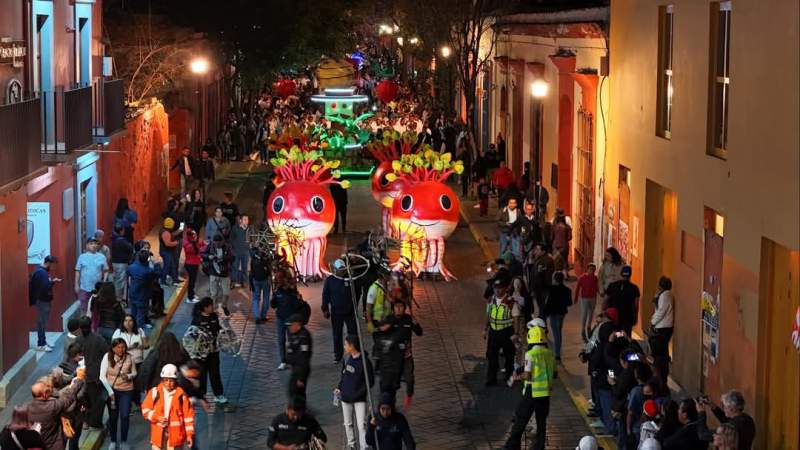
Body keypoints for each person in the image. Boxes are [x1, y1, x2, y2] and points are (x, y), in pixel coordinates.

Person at [502, 325, 555, 450]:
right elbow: (553, 371)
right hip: (545, 393)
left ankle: (512, 446)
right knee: (541, 423)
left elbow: (527, 374)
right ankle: (539, 447)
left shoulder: (530, 354)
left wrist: (517, 377)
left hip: (532, 392)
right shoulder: (549, 353)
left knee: (521, 419)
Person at [377, 301, 422, 408]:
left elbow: (419, 332)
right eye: (397, 307)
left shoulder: (408, 319)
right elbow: (380, 330)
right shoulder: (389, 318)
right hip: (392, 358)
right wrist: (388, 325)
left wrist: (414, 321)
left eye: (401, 306)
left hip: (406, 356)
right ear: (393, 309)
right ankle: (390, 403)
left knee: (409, 378)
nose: (399, 309)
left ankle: (409, 395)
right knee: (392, 384)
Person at [141, 364, 195, 450]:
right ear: (162, 380)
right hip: (158, 436)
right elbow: (145, 410)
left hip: (176, 438)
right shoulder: (154, 392)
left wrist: (189, 435)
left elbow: (188, 417)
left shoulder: (182, 395)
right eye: (166, 380)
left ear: (176, 380)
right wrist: (157, 417)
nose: (168, 383)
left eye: (171, 380)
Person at [335, 335, 374, 450]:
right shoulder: (347, 358)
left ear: (352, 346)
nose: (344, 346)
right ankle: (351, 445)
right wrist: (339, 388)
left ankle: (364, 446)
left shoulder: (365, 362)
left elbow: (370, 381)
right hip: (345, 398)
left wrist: (360, 392)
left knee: (361, 425)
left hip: (359, 399)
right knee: (348, 424)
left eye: (346, 344)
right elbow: (343, 376)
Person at [28, 371, 84, 450]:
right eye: (47, 390)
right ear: (44, 395)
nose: (50, 390)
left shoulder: (29, 407)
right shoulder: (51, 407)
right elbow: (67, 398)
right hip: (53, 445)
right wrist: (79, 380)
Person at [100, 338, 137, 450]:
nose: (121, 349)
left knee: (125, 415)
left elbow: (135, 372)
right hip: (112, 391)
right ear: (113, 348)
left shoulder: (130, 357)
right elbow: (102, 376)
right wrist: (110, 392)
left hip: (126, 390)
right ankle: (113, 441)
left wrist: (129, 376)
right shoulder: (107, 357)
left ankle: (124, 442)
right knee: (113, 417)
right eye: (118, 347)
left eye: (123, 347)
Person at [191, 297, 228, 404]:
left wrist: (222, 333)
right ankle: (201, 394)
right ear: (205, 307)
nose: (213, 307)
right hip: (202, 354)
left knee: (215, 373)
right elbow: (192, 335)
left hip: (214, 352)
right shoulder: (197, 320)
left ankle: (218, 394)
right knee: (202, 374)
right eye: (211, 305)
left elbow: (218, 328)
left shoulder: (214, 316)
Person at [484, 272, 519, 386]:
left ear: (505, 289)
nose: (497, 291)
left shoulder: (510, 302)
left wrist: (516, 334)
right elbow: (488, 315)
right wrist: (485, 329)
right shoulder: (491, 300)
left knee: (509, 355)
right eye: (495, 288)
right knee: (491, 356)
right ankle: (491, 379)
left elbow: (516, 319)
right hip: (494, 332)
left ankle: (509, 377)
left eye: (500, 288)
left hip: (506, 332)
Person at [75, 316, 110, 429]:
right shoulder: (99, 339)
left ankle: (86, 421)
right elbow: (107, 355)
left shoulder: (78, 340)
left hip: (83, 375)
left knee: (85, 401)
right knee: (96, 402)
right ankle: (95, 422)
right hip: (95, 376)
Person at [322, 259, 358, 363]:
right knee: (337, 334)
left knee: (353, 333)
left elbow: (356, 292)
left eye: (343, 268)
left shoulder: (350, 279)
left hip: (349, 312)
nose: (342, 271)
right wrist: (325, 309)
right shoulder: (330, 280)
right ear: (335, 269)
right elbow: (325, 295)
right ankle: (338, 355)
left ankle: (354, 352)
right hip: (336, 312)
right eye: (340, 269)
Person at [271, 272, 304, 370]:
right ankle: (283, 361)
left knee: (292, 340)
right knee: (281, 340)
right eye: (277, 280)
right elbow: (273, 305)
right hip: (280, 318)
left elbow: (298, 304)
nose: (279, 282)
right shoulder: (277, 291)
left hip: (291, 319)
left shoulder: (292, 290)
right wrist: (273, 299)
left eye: (280, 280)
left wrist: (298, 299)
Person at [29, 255, 61, 351]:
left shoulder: (42, 271)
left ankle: (44, 341)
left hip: (44, 300)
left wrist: (51, 281)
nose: (54, 267)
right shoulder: (41, 273)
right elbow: (44, 287)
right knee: (41, 322)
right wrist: (52, 282)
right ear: (48, 263)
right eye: (53, 265)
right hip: (42, 301)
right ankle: (41, 344)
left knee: (43, 322)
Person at [75, 237, 108, 315]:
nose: (94, 245)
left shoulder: (101, 257)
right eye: (91, 243)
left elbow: (106, 270)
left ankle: (94, 326)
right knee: (84, 308)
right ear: (87, 245)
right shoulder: (82, 257)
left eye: (96, 244)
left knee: (96, 309)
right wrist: (76, 284)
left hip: (97, 289)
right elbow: (77, 271)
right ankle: (84, 325)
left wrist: (104, 281)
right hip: (84, 287)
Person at [606, 265, 641, 336]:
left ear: (621, 273)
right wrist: (635, 317)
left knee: (614, 334)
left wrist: (605, 312)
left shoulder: (612, 285)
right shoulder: (634, 288)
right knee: (626, 335)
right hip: (627, 316)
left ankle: (617, 340)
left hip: (614, 316)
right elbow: (636, 305)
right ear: (630, 275)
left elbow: (606, 300)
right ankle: (623, 342)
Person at [202, 234, 233, 311]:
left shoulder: (227, 247)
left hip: (224, 273)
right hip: (213, 272)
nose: (217, 245)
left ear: (222, 242)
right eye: (216, 243)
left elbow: (232, 257)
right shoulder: (211, 246)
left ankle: (224, 306)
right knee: (213, 294)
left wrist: (223, 258)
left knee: (226, 293)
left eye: (219, 243)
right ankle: (213, 309)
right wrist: (208, 256)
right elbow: (202, 254)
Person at [545, 271, 571, 361]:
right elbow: (569, 302)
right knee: (558, 331)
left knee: (556, 333)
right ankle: (558, 351)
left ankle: (557, 353)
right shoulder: (567, 290)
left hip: (553, 313)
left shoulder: (551, 289)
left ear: (554, 279)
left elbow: (548, 302)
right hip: (562, 313)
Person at [127, 250, 156, 329]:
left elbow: (129, 274)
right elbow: (158, 273)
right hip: (143, 295)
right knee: (141, 314)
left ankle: (131, 328)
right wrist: (154, 263)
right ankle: (138, 331)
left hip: (133, 292)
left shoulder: (131, 267)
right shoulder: (148, 271)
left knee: (133, 312)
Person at [286, 313, 313, 398]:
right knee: (293, 392)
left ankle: (299, 410)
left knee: (297, 394)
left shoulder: (304, 336)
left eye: (291, 325)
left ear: (297, 325)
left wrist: (301, 378)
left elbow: (304, 358)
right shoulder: (292, 333)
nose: (289, 327)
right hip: (295, 368)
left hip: (301, 370)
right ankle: (297, 409)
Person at [528, 243, 554, 318]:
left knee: (542, 308)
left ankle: (542, 324)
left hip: (543, 288)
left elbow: (542, 275)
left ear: (543, 251)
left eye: (538, 249)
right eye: (536, 249)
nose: (536, 251)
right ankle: (542, 323)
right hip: (538, 288)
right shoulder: (539, 259)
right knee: (541, 307)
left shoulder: (546, 260)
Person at [575, 262, 600, 342]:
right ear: (587, 269)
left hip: (593, 297)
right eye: (590, 269)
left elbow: (597, 287)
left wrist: (600, 293)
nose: (591, 271)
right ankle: (583, 330)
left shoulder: (595, 278)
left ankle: (588, 327)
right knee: (585, 314)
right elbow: (578, 287)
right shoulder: (582, 277)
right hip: (584, 298)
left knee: (591, 314)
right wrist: (576, 298)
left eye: (593, 270)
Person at [250, 244, 272, 323]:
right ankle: (263, 316)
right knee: (266, 298)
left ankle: (257, 316)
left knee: (256, 298)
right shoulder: (265, 256)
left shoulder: (253, 256)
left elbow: (251, 270)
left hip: (255, 279)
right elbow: (270, 267)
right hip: (265, 280)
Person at [650, 276, 675, 346]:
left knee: (660, 347)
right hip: (664, 326)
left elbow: (661, 311)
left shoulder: (665, 295)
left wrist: (653, 322)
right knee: (663, 346)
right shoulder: (666, 294)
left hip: (663, 327)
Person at [182, 229, 205, 304]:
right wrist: (201, 245)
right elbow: (197, 251)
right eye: (194, 234)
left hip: (192, 264)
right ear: (190, 236)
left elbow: (198, 246)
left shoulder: (189, 242)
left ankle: (192, 294)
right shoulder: (190, 244)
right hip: (191, 265)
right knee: (191, 282)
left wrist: (201, 243)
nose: (196, 236)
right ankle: (190, 298)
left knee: (193, 281)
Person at [110, 227, 133, 301]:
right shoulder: (122, 241)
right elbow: (130, 249)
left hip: (114, 262)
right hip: (121, 263)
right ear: (120, 231)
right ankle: (119, 298)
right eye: (123, 230)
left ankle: (116, 295)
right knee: (121, 281)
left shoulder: (113, 239)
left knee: (117, 279)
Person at [159, 218, 182, 286]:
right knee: (167, 266)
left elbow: (171, 235)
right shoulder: (165, 232)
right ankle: (163, 281)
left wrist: (179, 231)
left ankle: (175, 280)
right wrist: (176, 243)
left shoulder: (164, 230)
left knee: (173, 265)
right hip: (166, 252)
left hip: (167, 251)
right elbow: (167, 243)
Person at [229, 214, 251, 288]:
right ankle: (233, 282)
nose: (246, 221)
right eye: (245, 219)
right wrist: (232, 250)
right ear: (240, 220)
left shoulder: (249, 229)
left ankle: (244, 282)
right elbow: (231, 240)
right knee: (235, 267)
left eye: (247, 220)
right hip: (236, 252)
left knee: (245, 267)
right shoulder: (235, 228)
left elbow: (252, 240)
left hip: (246, 252)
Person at [552, 210, 572, 274]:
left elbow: (551, 236)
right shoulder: (567, 227)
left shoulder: (554, 226)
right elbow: (570, 237)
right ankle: (565, 274)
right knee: (565, 260)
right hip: (564, 246)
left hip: (555, 245)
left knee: (555, 260)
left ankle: (556, 274)